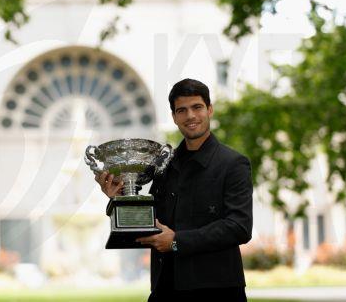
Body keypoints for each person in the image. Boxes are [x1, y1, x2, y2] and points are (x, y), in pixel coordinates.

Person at [95, 79, 253, 301]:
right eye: (182, 110)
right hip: (165, 288)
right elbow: (153, 221)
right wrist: (120, 198)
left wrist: (177, 241)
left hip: (217, 289)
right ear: (174, 117)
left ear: (209, 110)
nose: (190, 116)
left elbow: (239, 227)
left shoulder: (233, 163)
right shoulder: (164, 165)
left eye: (197, 107)